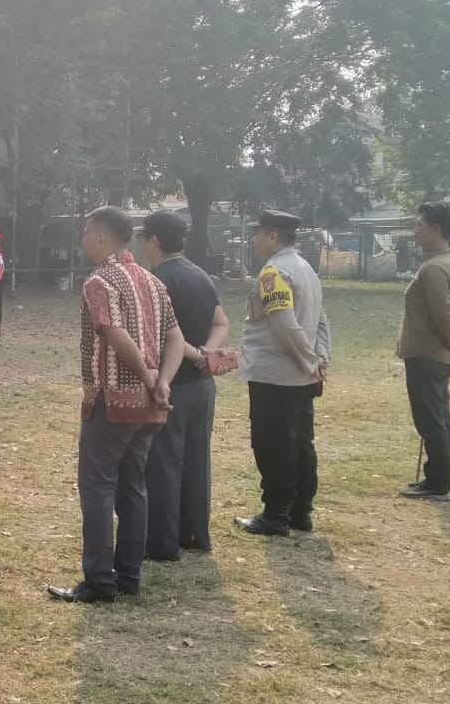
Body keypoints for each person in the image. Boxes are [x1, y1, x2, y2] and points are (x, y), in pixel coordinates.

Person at [48, 206, 183, 603]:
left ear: (102, 237)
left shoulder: (99, 281)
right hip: (149, 408)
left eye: (86, 232)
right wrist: (161, 382)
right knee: (133, 487)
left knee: (97, 487)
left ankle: (99, 581)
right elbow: (175, 337)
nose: (83, 239)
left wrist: (145, 376)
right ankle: (128, 576)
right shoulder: (153, 282)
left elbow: (113, 332)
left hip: (112, 402)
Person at [233, 209, 331, 536]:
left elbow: (285, 323)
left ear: (273, 236)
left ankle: (276, 514)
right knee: (301, 443)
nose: (253, 239)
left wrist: (309, 359)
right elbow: (320, 319)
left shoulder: (273, 273)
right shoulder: (305, 269)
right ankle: (300, 512)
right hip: (302, 376)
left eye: (258, 233)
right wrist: (320, 356)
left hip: (276, 375)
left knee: (273, 445)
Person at [137, 211, 229, 558]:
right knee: (196, 460)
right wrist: (209, 351)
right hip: (203, 386)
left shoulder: (156, 280)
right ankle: (194, 533)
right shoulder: (200, 275)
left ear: (155, 241)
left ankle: (162, 542)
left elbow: (164, 338)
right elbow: (221, 322)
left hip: (173, 382)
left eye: (144, 238)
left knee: (163, 463)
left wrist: (194, 354)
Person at [397, 201, 450, 500]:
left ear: (436, 229)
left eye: (420, 225)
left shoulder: (435, 267)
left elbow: (443, 315)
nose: (415, 231)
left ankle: (438, 482)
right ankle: (441, 478)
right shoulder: (445, 261)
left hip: (428, 354)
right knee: (439, 417)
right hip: (433, 354)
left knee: (430, 419)